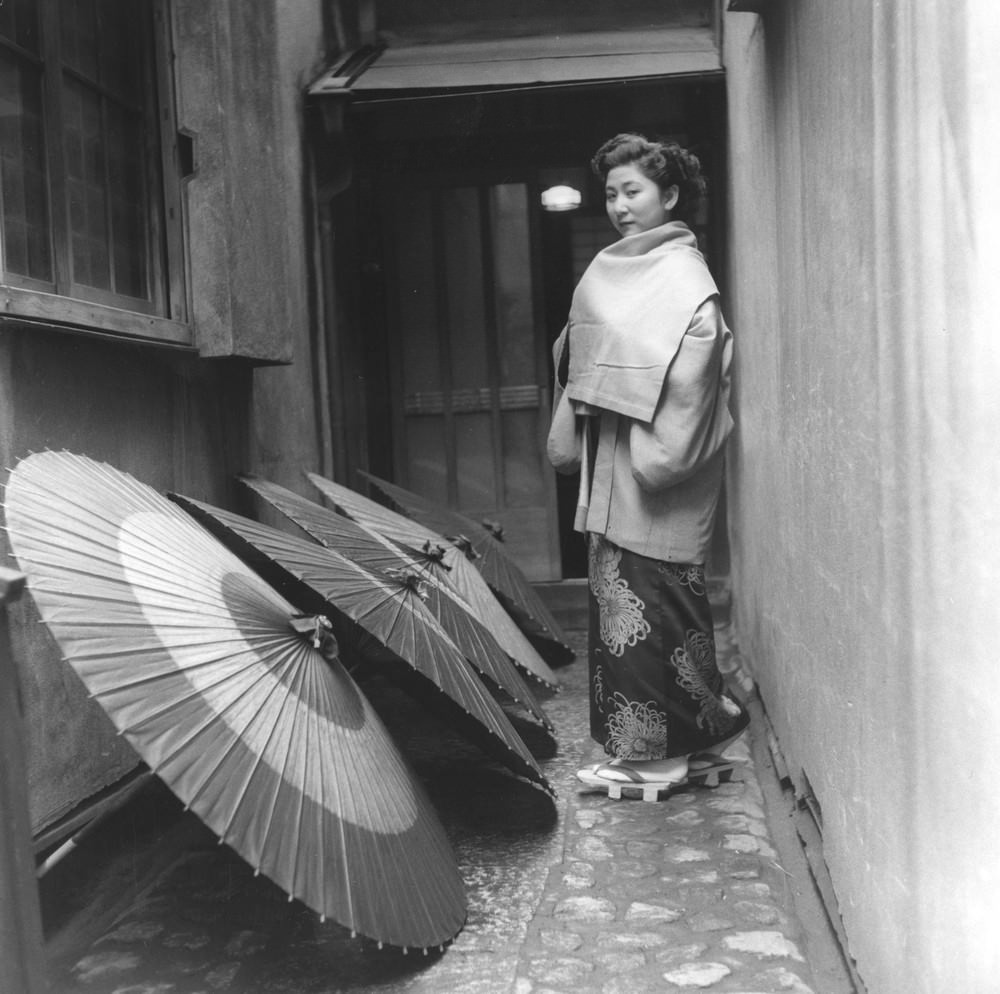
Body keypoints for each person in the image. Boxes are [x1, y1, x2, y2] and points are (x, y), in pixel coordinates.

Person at [547, 133, 749, 801]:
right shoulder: (608, 266)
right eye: (611, 193)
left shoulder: (683, 274)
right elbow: (578, 347)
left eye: (633, 191)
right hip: (615, 451)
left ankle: (654, 757)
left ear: (668, 195)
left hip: (656, 456)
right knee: (624, 601)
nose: (619, 206)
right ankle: (700, 739)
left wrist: (615, 382)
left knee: (657, 603)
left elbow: (698, 364)